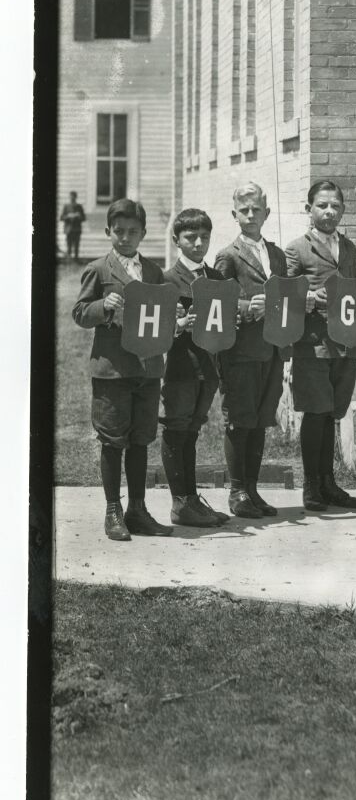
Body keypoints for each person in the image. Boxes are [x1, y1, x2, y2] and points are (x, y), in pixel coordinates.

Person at [71, 198, 172, 540]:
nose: (126, 237)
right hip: (113, 370)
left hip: (148, 368)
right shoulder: (99, 269)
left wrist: (177, 323)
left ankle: (138, 510)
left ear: (144, 233)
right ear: (108, 232)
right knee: (113, 439)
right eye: (119, 231)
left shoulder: (154, 271)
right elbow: (80, 313)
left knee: (141, 439)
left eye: (133, 231)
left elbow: (160, 317)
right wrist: (103, 305)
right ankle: (113, 510)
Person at [284, 180, 356, 515]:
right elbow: (285, 296)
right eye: (322, 205)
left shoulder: (348, 248)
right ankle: (311, 485)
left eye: (335, 205)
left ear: (343, 210)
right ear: (309, 210)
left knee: (333, 412)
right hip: (313, 343)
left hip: (345, 345)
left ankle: (329, 482)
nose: (329, 211)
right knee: (315, 413)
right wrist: (308, 298)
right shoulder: (297, 249)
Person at [212, 182, 288, 519]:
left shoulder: (277, 254)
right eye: (244, 209)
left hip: (271, 350)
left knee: (260, 421)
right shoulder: (228, 256)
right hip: (240, 352)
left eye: (256, 208)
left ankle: (253, 489)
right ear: (234, 214)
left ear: (267, 212)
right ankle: (237, 490)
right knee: (239, 421)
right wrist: (246, 307)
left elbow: (286, 296)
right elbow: (218, 304)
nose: (251, 214)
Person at [158, 208, 231, 528]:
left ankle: (191, 499)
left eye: (204, 237)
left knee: (192, 432)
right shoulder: (166, 280)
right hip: (179, 369)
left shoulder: (215, 278)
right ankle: (179, 503)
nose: (199, 243)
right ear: (177, 240)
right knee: (176, 430)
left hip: (207, 369)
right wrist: (177, 325)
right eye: (191, 237)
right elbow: (154, 330)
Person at [60, 191, 86, 263]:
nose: (72, 198)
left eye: (73, 196)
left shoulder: (79, 206)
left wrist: (79, 216)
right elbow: (61, 217)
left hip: (77, 229)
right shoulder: (66, 206)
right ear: (69, 197)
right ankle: (69, 261)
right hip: (69, 229)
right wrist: (68, 216)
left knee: (76, 246)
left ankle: (76, 260)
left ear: (76, 197)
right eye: (71, 196)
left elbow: (84, 218)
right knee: (69, 246)